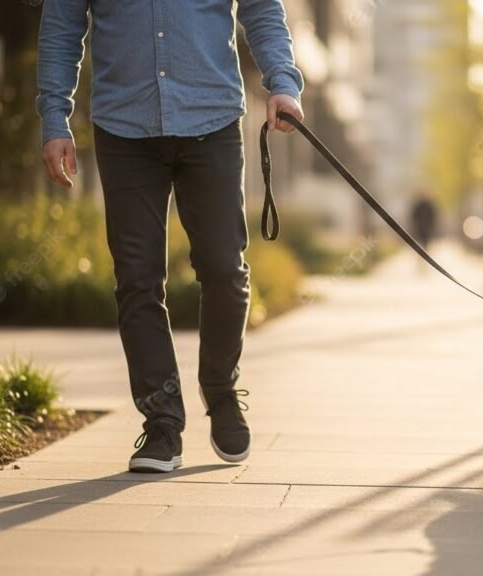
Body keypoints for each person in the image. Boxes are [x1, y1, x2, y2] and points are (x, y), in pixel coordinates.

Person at [36, 0, 304, 472]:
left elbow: (261, 9)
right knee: (137, 280)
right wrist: (55, 120)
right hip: (123, 128)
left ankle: (219, 389)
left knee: (224, 268)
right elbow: (62, 26)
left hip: (212, 119)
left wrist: (282, 82)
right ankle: (162, 423)